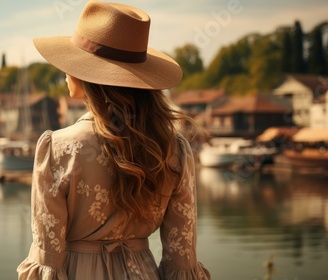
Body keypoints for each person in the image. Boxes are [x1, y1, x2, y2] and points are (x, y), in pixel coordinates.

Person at [17, 1, 211, 279]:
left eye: (71, 62)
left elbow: (48, 258)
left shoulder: (58, 148)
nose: (64, 71)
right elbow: (182, 260)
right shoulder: (172, 148)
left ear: (88, 75)